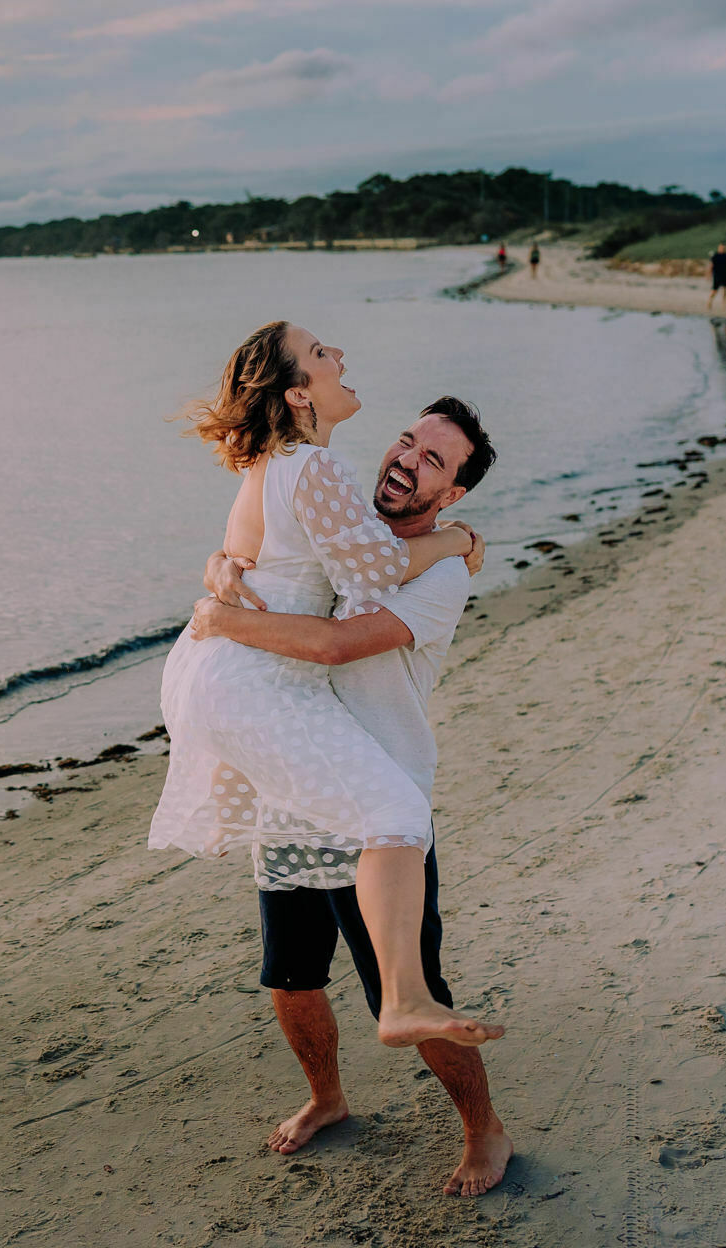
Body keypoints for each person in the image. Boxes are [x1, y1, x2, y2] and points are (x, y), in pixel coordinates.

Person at [149, 321, 505, 1055]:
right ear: (299, 394)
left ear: (453, 489)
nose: (339, 355)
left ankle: (409, 1013)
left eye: (432, 459)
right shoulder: (318, 472)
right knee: (391, 825)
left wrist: (220, 581)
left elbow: (289, 567)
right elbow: (371, 572)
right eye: (320, 354)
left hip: (261, 693)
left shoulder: (286, 467)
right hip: (265, 691)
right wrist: (459, 538)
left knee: (392, 822)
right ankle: (398, 1008)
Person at [190, 398, 513, 1196]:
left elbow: (336, 645)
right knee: (290, 975)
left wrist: (220, 620)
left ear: (452, 493)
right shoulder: (346, 530)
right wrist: (222, 569)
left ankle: (485, 1131)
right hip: (299, 787)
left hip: (380, 808)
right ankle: (327, 1097)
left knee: (408, 994)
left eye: (434, 461)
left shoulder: (441, 573)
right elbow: (262, 550)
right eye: (407, 441)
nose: (408, 459)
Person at [707, 242, 726, 310]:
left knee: (725, 290)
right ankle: (710, 301)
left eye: (724, 248)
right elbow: (711, 265)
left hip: (725, 274)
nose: (723, 249)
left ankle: (724, 304)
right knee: (715, 290)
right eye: (722, 248)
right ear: (719, 248)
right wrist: (709, 275)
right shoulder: (715, 255)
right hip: (717, 274)